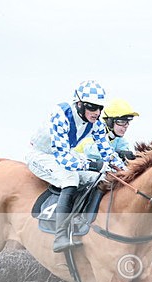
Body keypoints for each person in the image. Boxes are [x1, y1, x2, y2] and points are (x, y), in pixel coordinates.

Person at [26, 80, 126, 253]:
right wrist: (95, 164)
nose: (97, 113)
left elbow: (107, 153)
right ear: (79, 104)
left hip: (64, 153)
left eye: (100, 108)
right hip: (41, 155)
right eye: (92, 107)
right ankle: (60, 236)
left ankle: (82, 221)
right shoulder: (61, 115)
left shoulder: (96, 123)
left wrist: (125, 171)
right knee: (70, 178)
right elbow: (65, 161)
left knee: (102, 177)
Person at [77, 98, 139, 162]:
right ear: (110, 122)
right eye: (122, 121)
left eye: (128, 121)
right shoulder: (94, 129)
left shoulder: (118, 139)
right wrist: (117, 153)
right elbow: (90, 151)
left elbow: (123, 149)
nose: (126, 125)